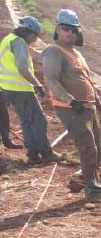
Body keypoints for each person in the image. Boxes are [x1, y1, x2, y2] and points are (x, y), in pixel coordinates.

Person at [42, 9, 101, 203]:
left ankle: (96, 187)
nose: (70, 33)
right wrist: (70, 100)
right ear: (57, 29)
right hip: (72, 109)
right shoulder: (53, 51)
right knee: (87, 148)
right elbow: (52, 80)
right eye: (66, 29)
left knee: (96, 149)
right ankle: (93, 192)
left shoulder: (77, 54)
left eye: (74, 30)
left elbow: (87, 81)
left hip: (88, 107)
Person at [0, 16, 58, 163]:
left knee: (27, 121)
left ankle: (33, 155)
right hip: (21, 88)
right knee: (39, 120)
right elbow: (21, 67)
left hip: (8, 88)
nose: (34, 40)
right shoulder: (19, 43)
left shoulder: (8, 39)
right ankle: (46, 153)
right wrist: (37, 84)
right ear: (31, 33)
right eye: (35, 37)